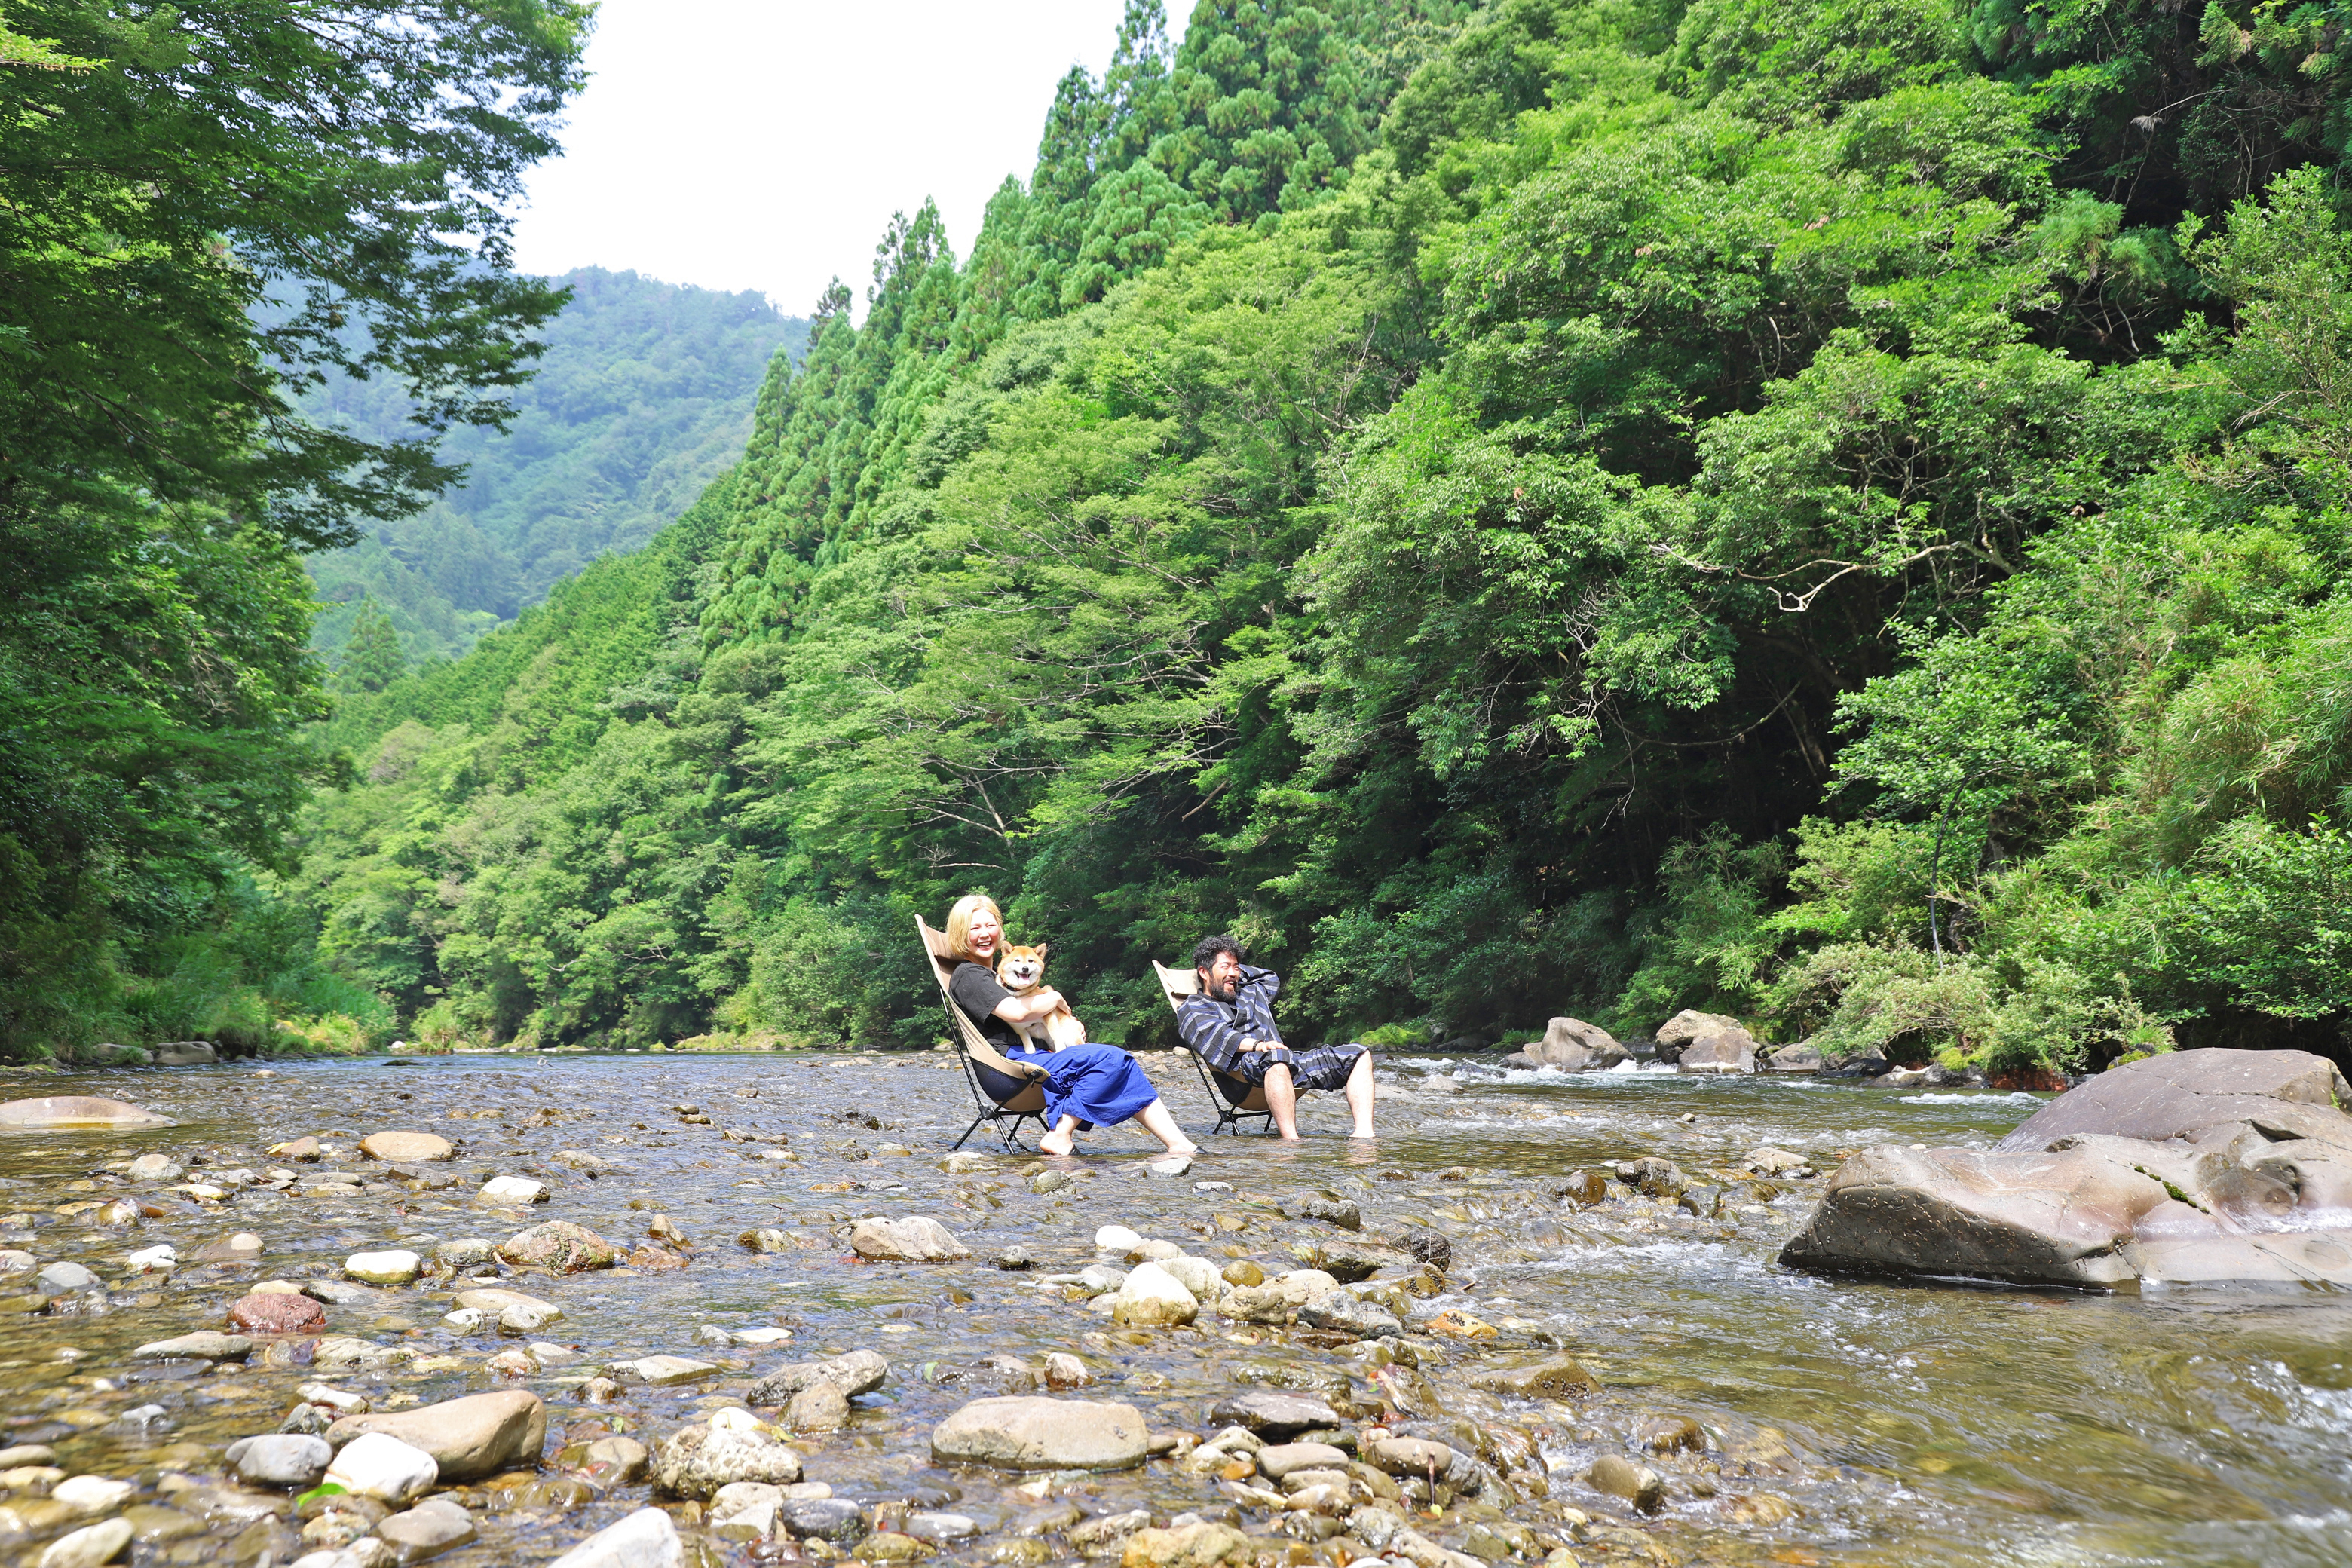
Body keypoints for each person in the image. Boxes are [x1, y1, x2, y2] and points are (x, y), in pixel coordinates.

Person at [942, 895, 1196, 1158]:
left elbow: (1030, 1015)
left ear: (1000, 929)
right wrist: (1055, 997)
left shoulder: (995, 976)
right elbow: (1016, 1013)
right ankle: (1060, 1135)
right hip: (1009, 1068)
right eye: (974, 928)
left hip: (1034, 1057)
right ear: (961, 934)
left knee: (1121, 1063)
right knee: (1111, 1058)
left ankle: (1179, 1144)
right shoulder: (969, 975)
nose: (984, 934)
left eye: (990, 925)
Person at [1176, 934, 1375, 1139]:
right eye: (1225, 967)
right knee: (1275, 1058)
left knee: (1359, 1054)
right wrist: (1258, 1045)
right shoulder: (1193, 1007)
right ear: (1204, 972)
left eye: (1236, 967)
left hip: (1287, 1060)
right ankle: (1291, 1141)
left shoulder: (1252, 991)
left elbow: (1269, 977)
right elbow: (1219, 1036)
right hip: (1243, 1077)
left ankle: (1364, 1136)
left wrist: (1230, 974)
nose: (1233, 974)